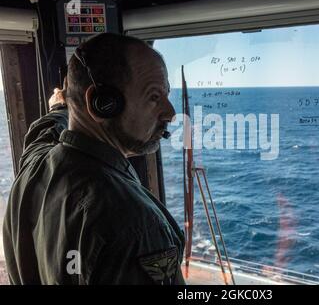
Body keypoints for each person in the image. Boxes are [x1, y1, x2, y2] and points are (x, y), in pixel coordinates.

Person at [2, 33, 185, 284]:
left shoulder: (36, 163)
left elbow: (43, 133)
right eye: (154, 97)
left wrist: (61, 106)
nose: (170, 113)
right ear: (102, 104)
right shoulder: (135, 225)